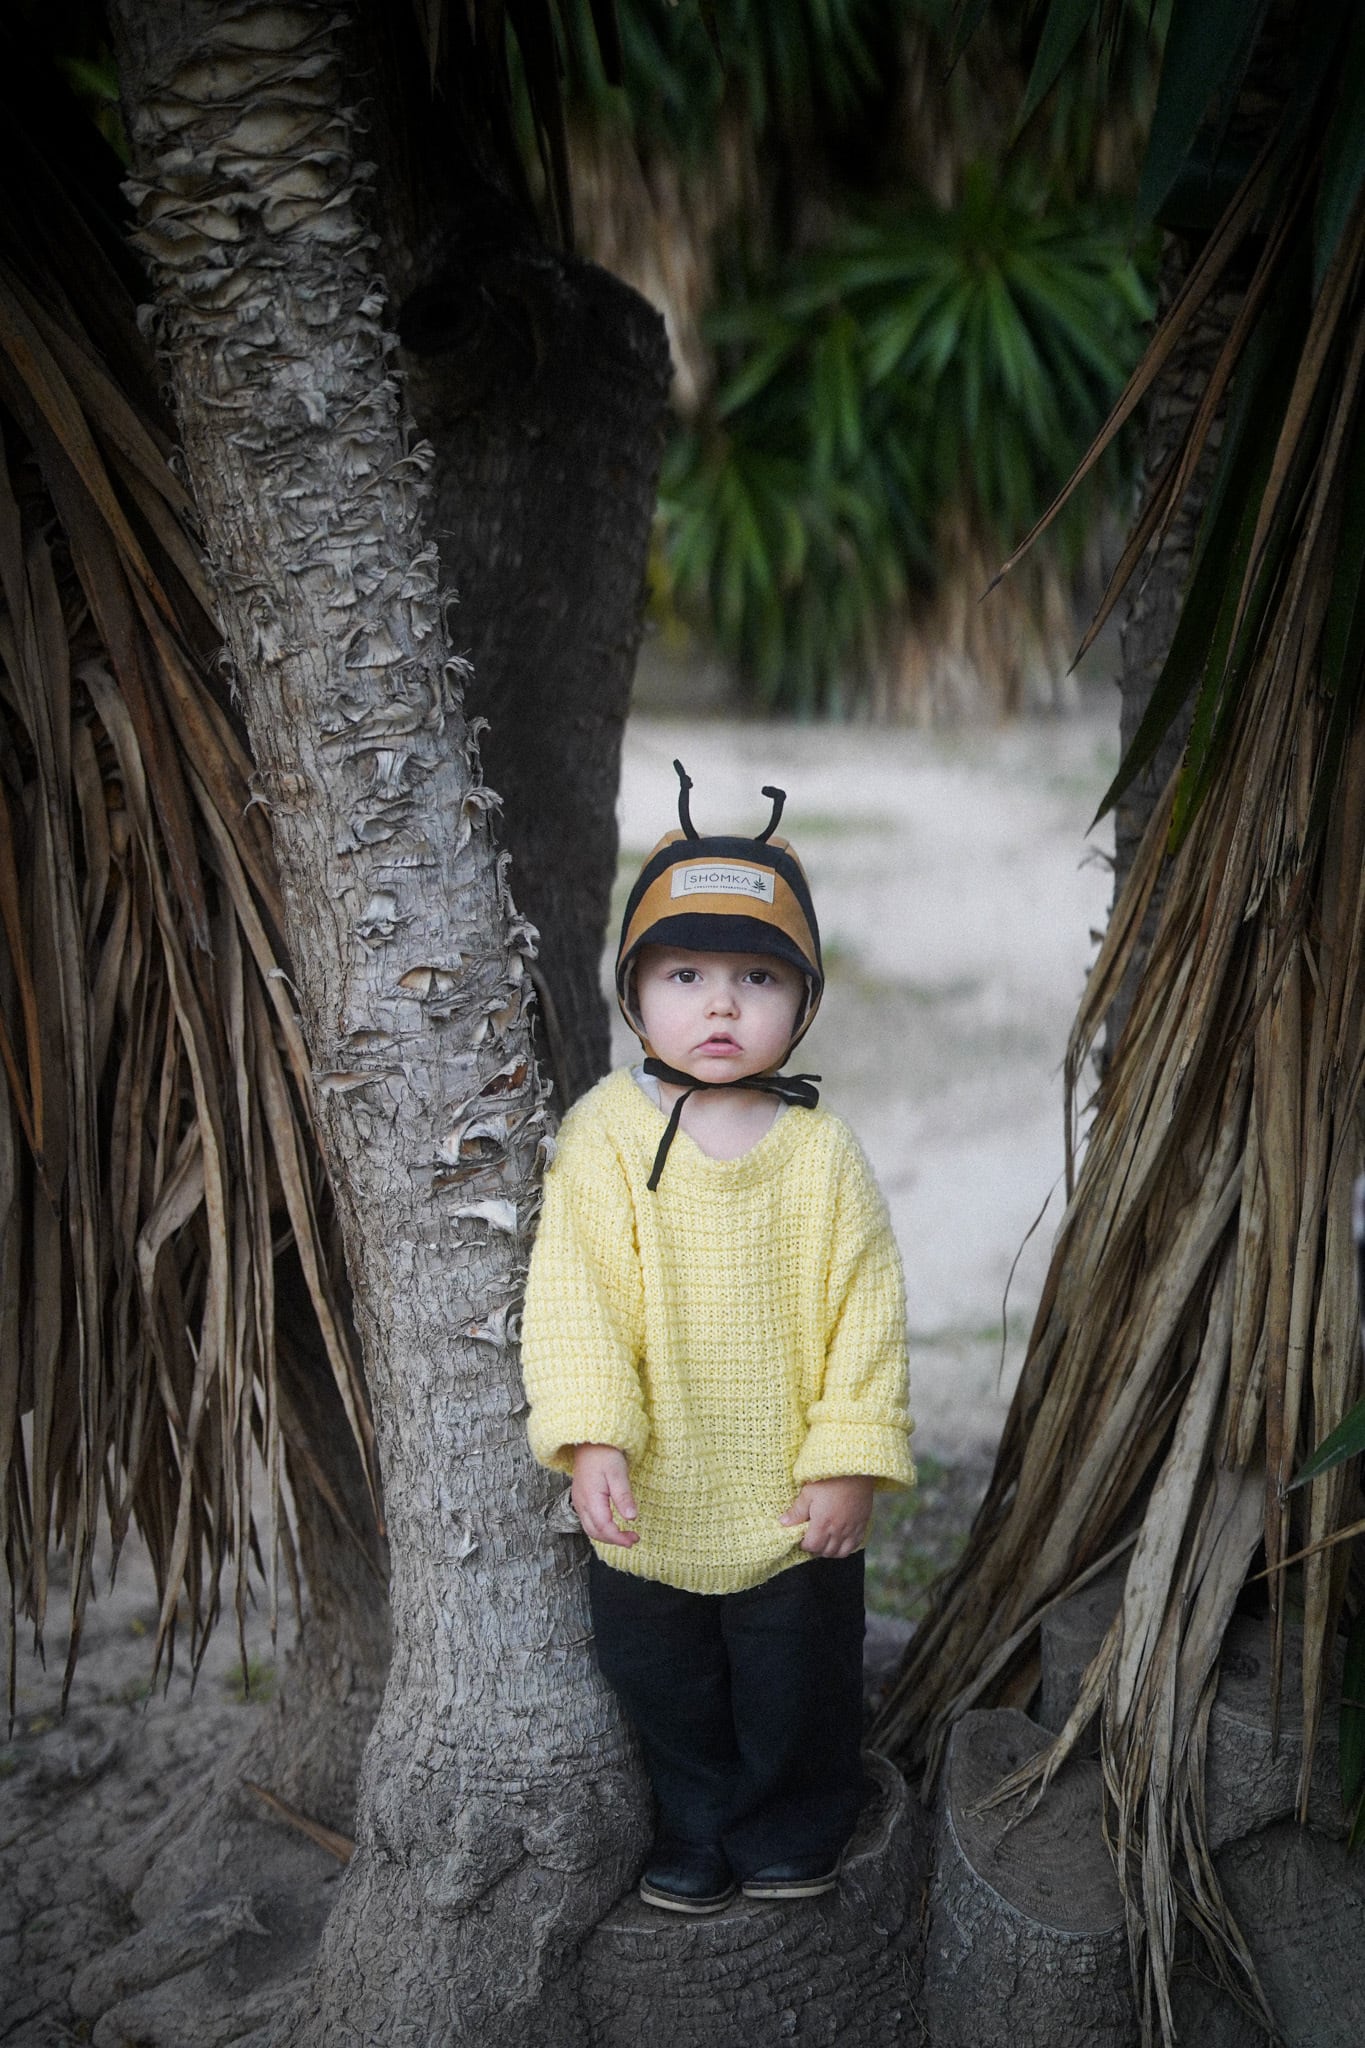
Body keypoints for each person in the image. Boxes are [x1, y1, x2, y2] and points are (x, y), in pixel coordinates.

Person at [520, 761, 914, 1915]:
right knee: (663, 1676)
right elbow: (575, 1297)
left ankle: (791, 1823)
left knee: (799, 1677)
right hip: (654, 1497)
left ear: (806, 1000)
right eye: (685, 974)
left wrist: (849, 1455)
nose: (723, 1004)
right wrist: (593, 1438)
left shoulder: (822, 1154)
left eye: (758, 977)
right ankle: (694, 1822)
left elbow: (868, 1311)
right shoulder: (603, 1136)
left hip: (791, 1501)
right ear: (635, 994)